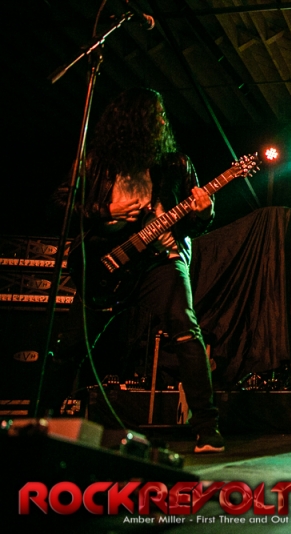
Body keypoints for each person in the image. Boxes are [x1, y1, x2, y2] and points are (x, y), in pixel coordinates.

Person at [45, 87, 224, 453]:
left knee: (186, 329)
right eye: (154, 115)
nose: (162, 121)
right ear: (132, 121)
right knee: (70, 347)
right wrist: (104, 212)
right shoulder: (96, 163)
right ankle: (43, 421)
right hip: (107, 263)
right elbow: (61, 201)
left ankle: (207, 429)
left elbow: (194, 223)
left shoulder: (175, 164)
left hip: (161, 259)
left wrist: (205, 210)